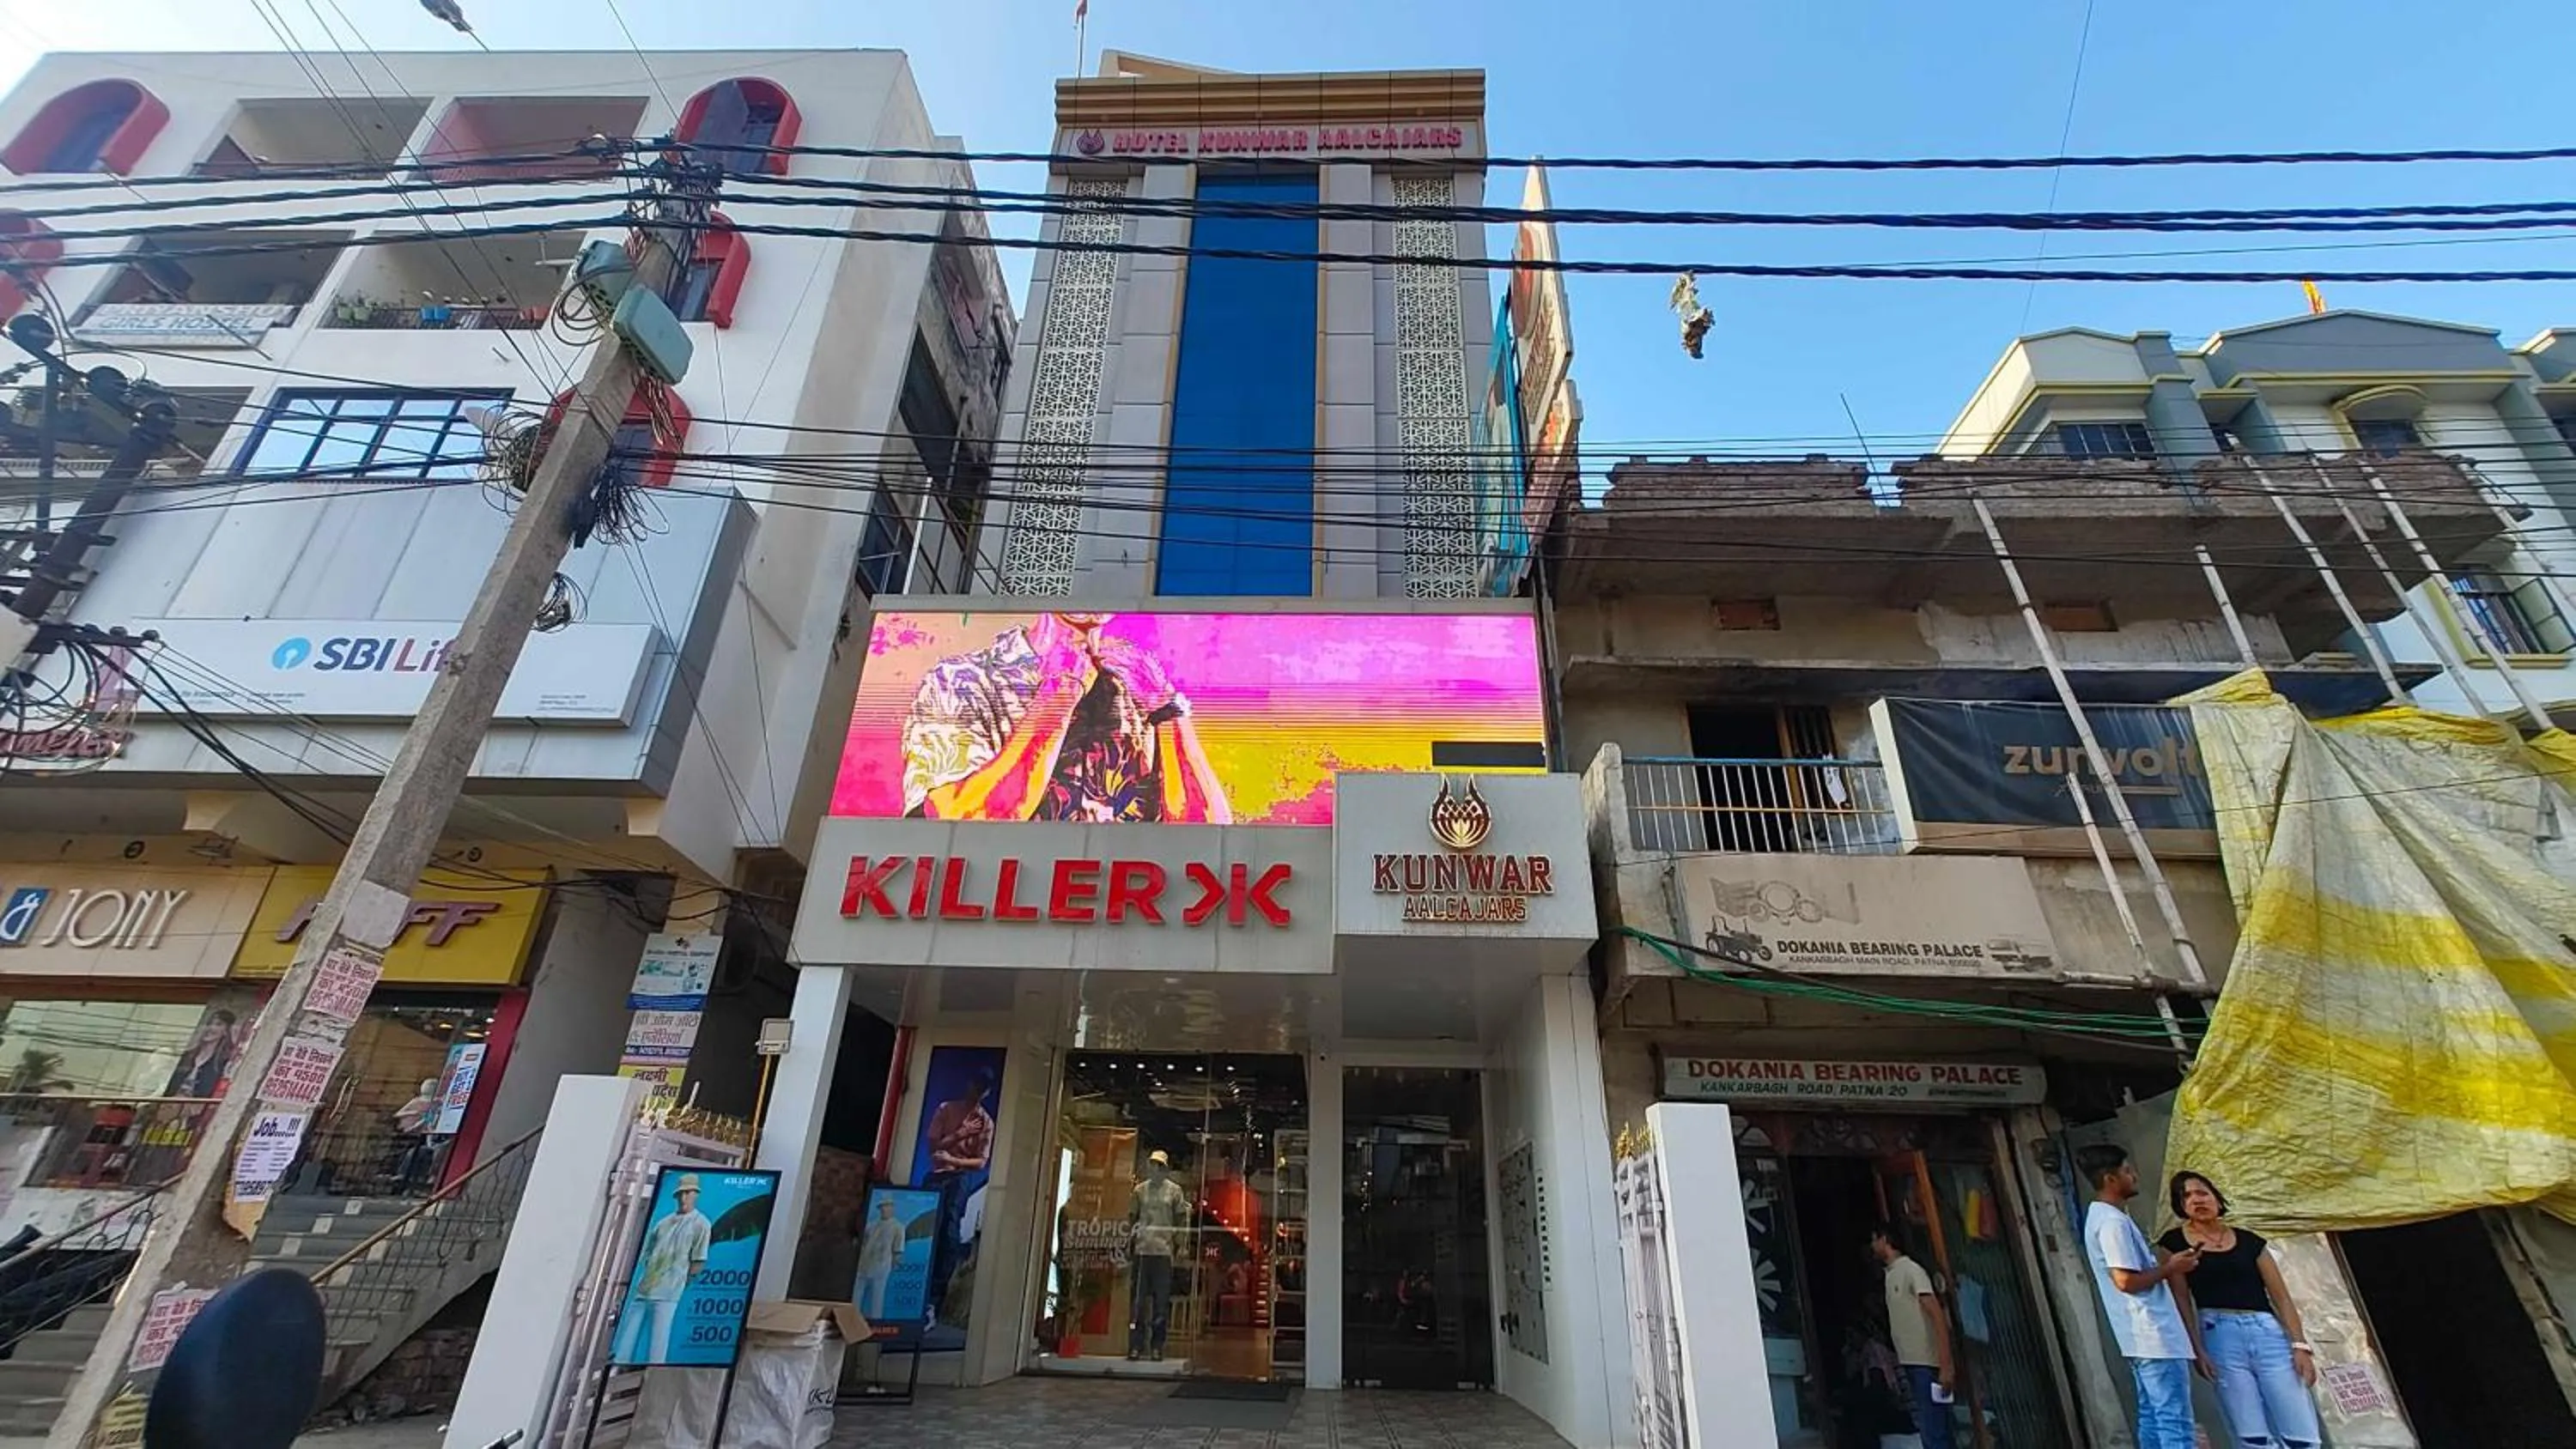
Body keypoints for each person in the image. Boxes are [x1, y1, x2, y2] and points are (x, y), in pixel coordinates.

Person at [900, 610, 1230, 823]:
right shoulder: (964, 679)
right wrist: (1058, 696)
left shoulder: (1142, 685)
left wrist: (1167, 709)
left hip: (1125, 912)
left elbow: (1214, 842)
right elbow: (957, 825)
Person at [2159, 1172, 2322, 1449]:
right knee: (2252, 1434)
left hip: (2267, 1333)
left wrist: (2300, 1345)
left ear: (2217, 1198)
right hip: (2219, 1335)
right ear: (2180, 1206)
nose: (2196, 1200)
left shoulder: (2249, 1241)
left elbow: (2281, 1297)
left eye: (2202, 1192)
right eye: (2186, 1196)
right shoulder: (2174, 1244)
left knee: (2301, 1431)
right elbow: (2181, 1300)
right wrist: (2197, 1350)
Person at [2077, 1144, 2210, 1449]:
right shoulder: (2111, 1223)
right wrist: (2170, 1268)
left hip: (2143, 1338)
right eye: (2127, 1171)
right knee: (2174, 1422)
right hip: (2153, 1335)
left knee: (2154, 1419)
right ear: (2111, 1179)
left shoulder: (2108, 1218)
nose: (2134, 1176)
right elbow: (2124, 1280)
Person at [1869, 1223, 1957, 1449]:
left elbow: (1936, 1315)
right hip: (1910, 1363)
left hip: (1927, 1364)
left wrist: (1946, 1365)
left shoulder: (1911, 1270)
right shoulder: (1890, 1275)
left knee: (1935, 1433)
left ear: (1885, 1240)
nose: (1872, 1245)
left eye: (1874, 1239)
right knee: (1931, 1430)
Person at [921, 1070, 996, 1319]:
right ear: (970, 1084)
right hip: (936, 1174)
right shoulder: (947, 1109)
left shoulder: (985, 1122)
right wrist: (959, 1135)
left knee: (949, 1230)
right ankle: (916, 1291)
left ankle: (934, 1299)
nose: (978, 1093)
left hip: (958, 1177)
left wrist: (954, 1157)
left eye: (983, 1089)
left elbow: (981, 1162)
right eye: (977, 1086)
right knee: (925, 1228)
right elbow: (932, 1145)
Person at [617, 1173, 713, 1365]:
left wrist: (680, 1282)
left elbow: (698, 1261)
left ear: (696, 1194)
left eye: (688, 1193)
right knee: (624, 1345)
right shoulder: (662, 1223)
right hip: (644, 1289)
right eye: (681, 1193)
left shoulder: (701, 1224)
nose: (684, 1197)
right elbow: (648, 1253)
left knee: (657, 1347)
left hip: (668, 1293)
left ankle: (649, 1380)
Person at [1127, 1149, 1190, 1361]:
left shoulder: (1174, 1191)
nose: (1155, 1168)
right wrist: (1128, 1243)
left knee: (1161, 1303)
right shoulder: (1139, 1190)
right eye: (1153, 1164)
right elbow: (1131, 1218)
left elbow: (1182, 1220)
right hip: (1142, 1250)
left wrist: (1181, 1245)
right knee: (1138, 1302)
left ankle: (1157, 1345)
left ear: (1165, 1168)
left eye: (1160, 1165)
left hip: (1163, 1251)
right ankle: (1136, 1345)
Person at [854, 1197, 904, 1320]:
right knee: (856, 1295)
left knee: (877, 1296)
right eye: (882, 1207)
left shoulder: (898, 1226)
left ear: (892, 1207)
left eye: (886, 1206)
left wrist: (895, 1261)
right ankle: (852, 1322)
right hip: (863, 1263)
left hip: (881, 1265)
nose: (884, 1209)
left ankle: (876, 1323)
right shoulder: (871, 1225)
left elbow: (898, 1249)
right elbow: (863, 1242)